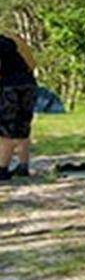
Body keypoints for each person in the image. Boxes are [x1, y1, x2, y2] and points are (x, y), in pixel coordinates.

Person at [0, 32, 38, 181]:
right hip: (29, 84)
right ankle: (23, 165)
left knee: (6, 127)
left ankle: (2, 168)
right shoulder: (14, 40)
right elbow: (32, 64)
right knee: (23, 125)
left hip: (10, 87)